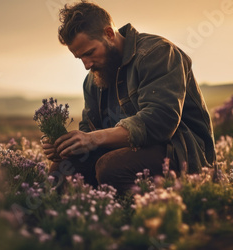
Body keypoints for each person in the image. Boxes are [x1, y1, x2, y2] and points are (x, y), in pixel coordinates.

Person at [42, 1, 216, 195]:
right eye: (80, 58)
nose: (86, 65)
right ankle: (89, 218)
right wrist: (68, 146)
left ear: (109, 34)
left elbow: (160, 122)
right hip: (124, 152)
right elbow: (89, 129)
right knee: (60, 170)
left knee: (111, 167)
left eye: (90, 53)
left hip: (178, 151)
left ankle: (148, 216)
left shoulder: (157, 53)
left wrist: (92, 139)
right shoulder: (92, 80)